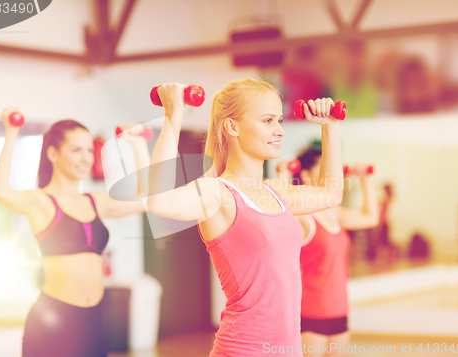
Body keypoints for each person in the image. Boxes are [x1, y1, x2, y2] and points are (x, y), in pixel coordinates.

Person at [147, 79, 344, 356]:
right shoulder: (218, 193)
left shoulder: (276, 192)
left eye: (279, 121)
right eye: (267, 121)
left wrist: (330, 126)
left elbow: (332, 194)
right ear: (232, 126)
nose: (279, 131)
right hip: (243, 349)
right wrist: (173, 114)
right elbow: (158, 200)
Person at [0, 108, 148, 357]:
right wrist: (12, 132)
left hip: (94, 321)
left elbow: (146, 199)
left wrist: (138, 144)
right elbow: (0, 191)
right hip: (52, 323)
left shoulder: (95, 201)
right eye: (76, 150)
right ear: (53, 153)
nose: (85, 158)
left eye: (89, 150)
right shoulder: (40, 202)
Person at [278, 145, 379, 357]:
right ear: (305, 175)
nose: (331, 172)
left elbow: (371, 218)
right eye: (323, 167)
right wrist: (284, 174)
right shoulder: (303, 216)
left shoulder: (334, 213)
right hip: (311, 310)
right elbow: (282, 206)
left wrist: (366, 180)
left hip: (339, 308)